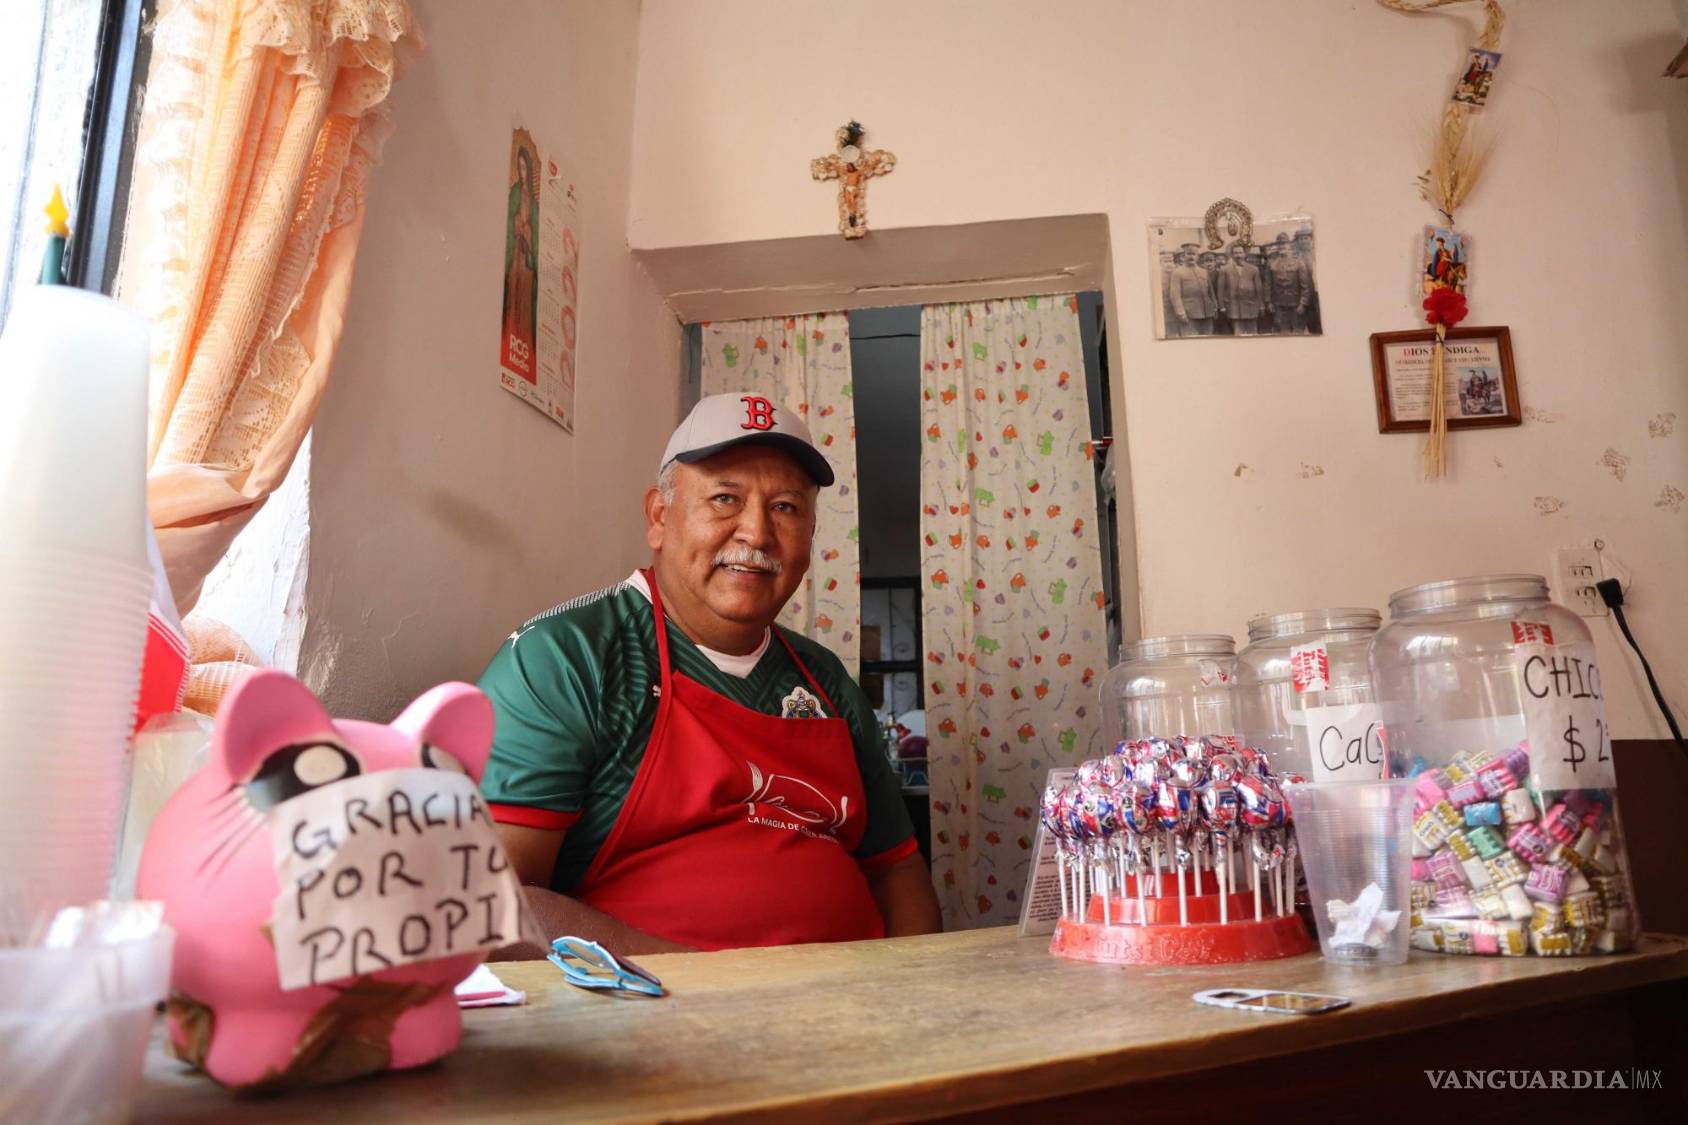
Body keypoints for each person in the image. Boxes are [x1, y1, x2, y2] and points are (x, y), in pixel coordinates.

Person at [478, 392, 943, 956]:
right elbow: (495, 900)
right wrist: (718, 996)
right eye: (725, 498)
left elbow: (898, 871)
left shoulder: (823, 678)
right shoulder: (566, 658)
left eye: (786, 508)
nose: (756, 533)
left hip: (857, 1009)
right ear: (658, 516)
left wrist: (913, 997)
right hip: (652, 1020)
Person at [1215, 241, 1269, 336]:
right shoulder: (1224, 269)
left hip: (1251, 306)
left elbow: (1259, 290)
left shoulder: (1253, 269)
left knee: (1253, 334)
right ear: (1231, 255)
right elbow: (1221, 290)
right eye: (1235, 253)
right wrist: (1222, 306)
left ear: (1245, 254)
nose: (1238, 255)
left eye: (1240, 252)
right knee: (1238, 334)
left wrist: (1261, 305)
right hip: (1234, 307)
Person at [1168, 243, 1216, 336]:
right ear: (1183, 256)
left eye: (1194, 254)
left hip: (1207, 314)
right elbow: (1175, 296)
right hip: (1189, 315)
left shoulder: (1203, 271)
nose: (1191, 257)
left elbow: (1211, 292)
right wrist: (1180, 313)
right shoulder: (1178, 272)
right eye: (1188, 254)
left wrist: (1214, 307)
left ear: (1197, 256)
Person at [1267, 233, 1312, 334]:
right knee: (1283, 332)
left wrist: (1303, 304)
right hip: (1278, 304)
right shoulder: (1271, 262)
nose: (1282, 246)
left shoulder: (1298, 261)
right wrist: (1268, 302)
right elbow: (1268, 284)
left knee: (1298, 332)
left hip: (1296, 304)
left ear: (1290, 245)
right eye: (1279, 244)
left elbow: (1305, 285)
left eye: (1284, 243)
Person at [1294, 227, 1321, 335]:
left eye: (1306, 238)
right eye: (1300, 239)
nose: (1303, 241)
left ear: (1310, 239)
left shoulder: (1316, 254)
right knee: (1307, 322)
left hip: (1316, 293)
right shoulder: (1296, 256)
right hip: (1301, 294)